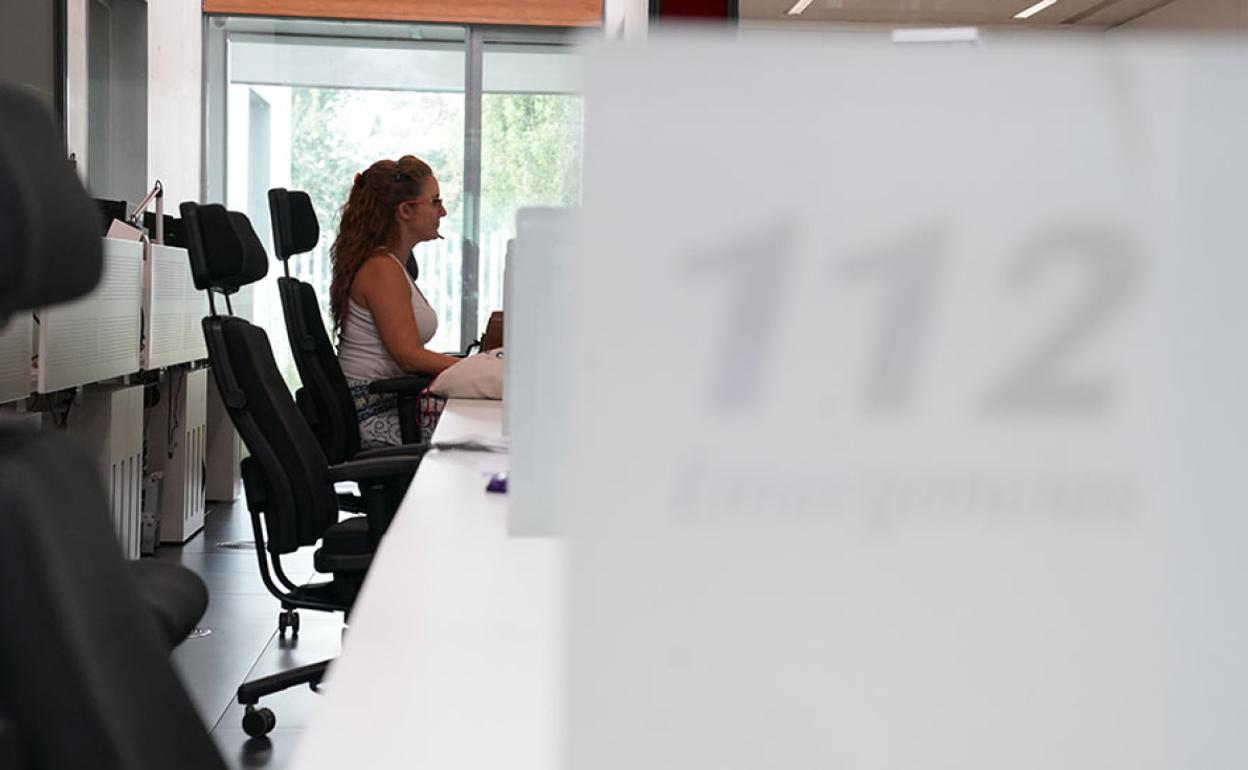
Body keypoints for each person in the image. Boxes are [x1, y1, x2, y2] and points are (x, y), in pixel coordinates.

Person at [330, 155, 460, 447]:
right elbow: (409, 357)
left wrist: (476, 368)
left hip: (390, 405)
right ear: (405, 210)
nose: (443, 211)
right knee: (482, 436)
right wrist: (476, 370)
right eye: (435, 202)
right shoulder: (381, 269)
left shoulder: (392, 265)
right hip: (374, 414)